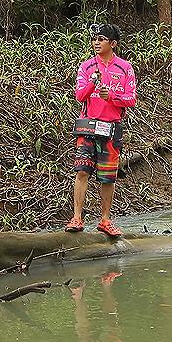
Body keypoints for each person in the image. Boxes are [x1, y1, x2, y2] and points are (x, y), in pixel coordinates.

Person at [65, 23, 137, 237]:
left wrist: (112, 97)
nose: (96, 42)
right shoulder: (86, 67)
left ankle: (105, 220)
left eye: (101, 39)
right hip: (88, 125)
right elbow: (79, 95)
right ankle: (77, 217)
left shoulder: (125, 68)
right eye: (94, 38)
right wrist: (93, 84)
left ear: (113, 43)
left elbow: (131, 99)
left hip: (111, 128)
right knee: (81, 171)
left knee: (108, 177)